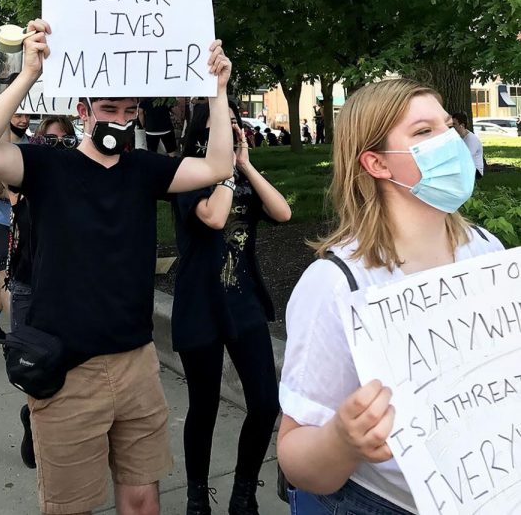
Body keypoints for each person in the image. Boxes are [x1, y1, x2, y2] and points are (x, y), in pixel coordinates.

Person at [0, 19, 234, 515]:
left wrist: (218, 90)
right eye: (108, 108)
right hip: (66, 369)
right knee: (71, 507)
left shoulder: (144, 171)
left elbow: (217, 167)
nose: (119, 119)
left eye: (129, 111)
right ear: (82, 110)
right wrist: (27, 75)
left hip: (136, 364)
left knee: (143, 500)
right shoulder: (46, 165)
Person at [276, 78, 502, 514]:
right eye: (424, 132)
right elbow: (298, 461)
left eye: (449, 125)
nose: (451, 141)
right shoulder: (336, 285)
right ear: (377, 164)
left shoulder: (483, 247)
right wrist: (342, 438)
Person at [173, 100, 291, 515]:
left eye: (237, 124)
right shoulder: (187, 173)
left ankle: (243, 492)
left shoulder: (241, 177)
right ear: (205, 132)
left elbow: (283, 211)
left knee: (264, 402)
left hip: (244, 302)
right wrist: (223, 172)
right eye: (226, 125)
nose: (235, 130)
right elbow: (214, 219)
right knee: (202, 406)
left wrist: (246, 166)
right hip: (200, 305)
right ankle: (196, 495)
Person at [10, 114, 78, 472]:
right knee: (32, 369)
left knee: (63, 370)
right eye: (48, 141)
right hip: (26, 285)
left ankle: (49, 429)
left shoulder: (79, 186)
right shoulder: (23, 182)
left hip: (62, 288)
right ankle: (33, 421)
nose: (56, 148)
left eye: (64, 141)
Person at [0, 111, 30, 343]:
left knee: (10, 276)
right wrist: (6, 188)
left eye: (26, 115)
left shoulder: (31, 145)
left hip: (23, 220)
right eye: (17, 115)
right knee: (5, 274)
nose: (22, 120)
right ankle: (18, 332)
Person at [451, 111, 484, 179]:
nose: (452, 127)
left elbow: (465, 158)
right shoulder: (456, 138)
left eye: (454, 124)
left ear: (462, 125)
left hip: (475, 171)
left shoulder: (471, 139)